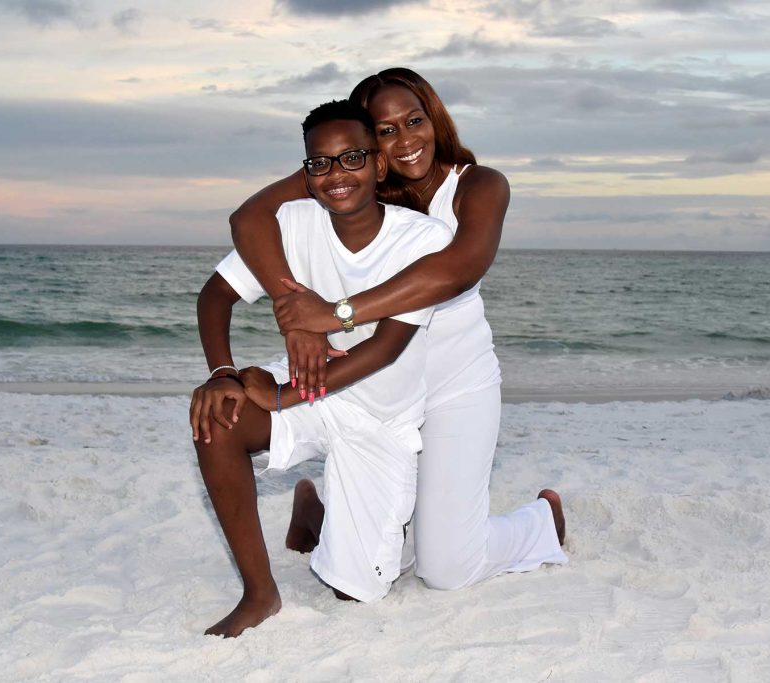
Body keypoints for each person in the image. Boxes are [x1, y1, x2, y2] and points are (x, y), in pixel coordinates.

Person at [229, 68, 567, 593]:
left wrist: (335, 314)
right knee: (389, 554)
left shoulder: (479, 185)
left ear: (434, 118)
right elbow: (251, 217)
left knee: (443, 567)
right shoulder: (360, 172)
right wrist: (295, 314)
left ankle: (541, 522)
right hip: (376, 384)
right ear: (373, 144)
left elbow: (456, 269)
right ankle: (317, 517)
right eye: (386, 130)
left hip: (456, 388)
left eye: (415, 120)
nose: (406, 140)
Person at [190, 99, 453, 637]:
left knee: (355, 589)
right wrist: (223, 373)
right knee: (218, 416)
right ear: (306, 175)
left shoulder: (423, 240)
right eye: (320, 163)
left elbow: (384, 350)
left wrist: (284, 395)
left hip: (379, 416)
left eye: (353, 158)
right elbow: (214, 297)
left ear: (379, 166)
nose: (337, 175)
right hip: (311, 390)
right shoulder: (290, 224)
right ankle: (260, 595)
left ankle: (314, 514)